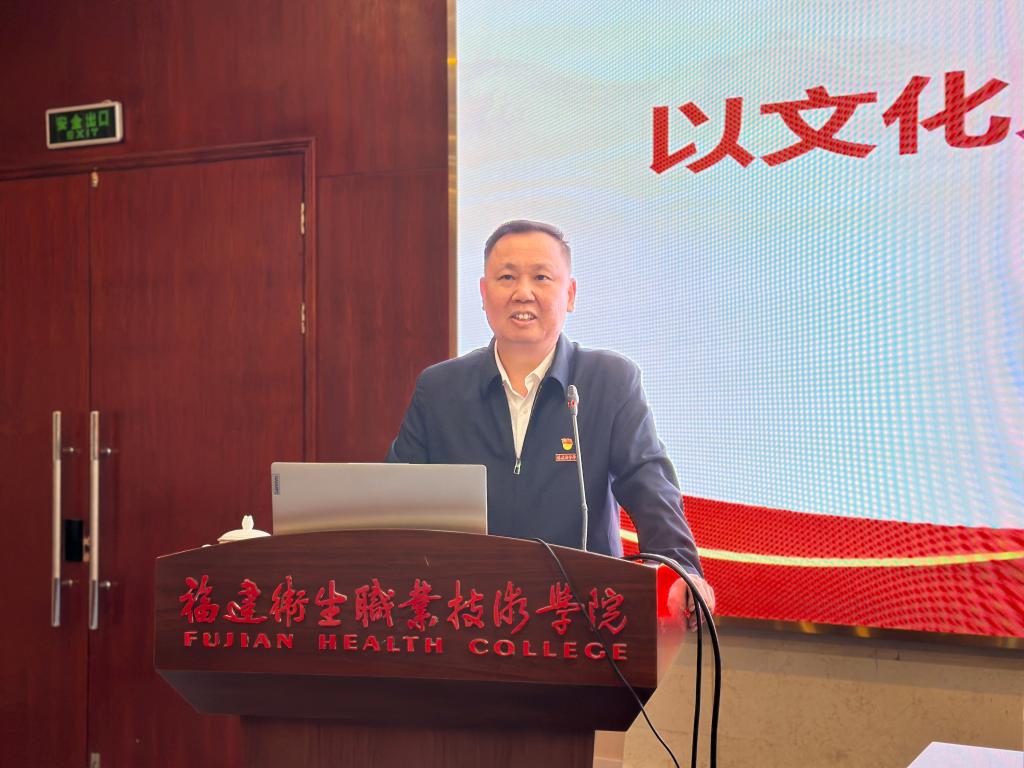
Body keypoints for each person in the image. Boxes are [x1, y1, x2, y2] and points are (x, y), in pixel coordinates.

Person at [387, 220, 714, 629]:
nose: (523, 292)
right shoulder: (440, 389)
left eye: (541, 277)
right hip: (466, 618)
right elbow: (394, 501)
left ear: (570, 294)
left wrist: (681, 569)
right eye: (507, 277)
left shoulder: (609, 381)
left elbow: (649, 485)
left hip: (583, 619)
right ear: (484, 294)